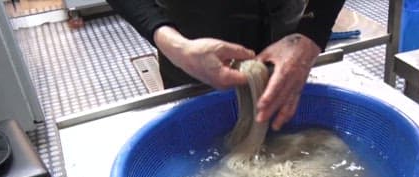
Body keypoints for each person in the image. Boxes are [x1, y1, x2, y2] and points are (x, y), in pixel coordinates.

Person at [106, 0, 346, 131]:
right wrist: (173, 44)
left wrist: (312, 34)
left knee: (285, 123)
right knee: (199, 135)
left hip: (286, 37)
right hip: (191, 45)